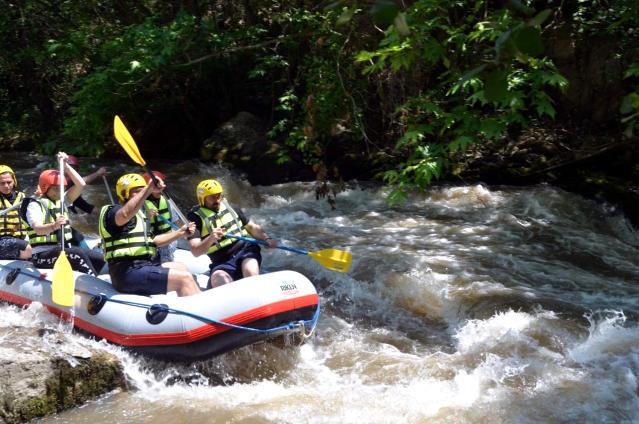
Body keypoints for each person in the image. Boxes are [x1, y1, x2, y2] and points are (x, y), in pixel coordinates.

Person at [98, 173, 200, 296]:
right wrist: (148, 189)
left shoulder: (140, 217)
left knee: (182, 267)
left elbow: (154, 241)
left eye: (143, 191)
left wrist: (180, 232)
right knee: (184, 279)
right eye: (137, 191)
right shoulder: (112, 212)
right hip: (127, 272)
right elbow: (124, 215)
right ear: (124, 193)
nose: (142, 195)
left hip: (143, 266)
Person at [188, 179, 277, 288]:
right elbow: (195, 251)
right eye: (213, 197)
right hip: (221, 260)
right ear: (202, 199)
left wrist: (266, 238)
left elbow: (251, 226)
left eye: (218, 195)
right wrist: (211, 238)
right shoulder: (195, 218)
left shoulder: (232, 207)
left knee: (250, 271)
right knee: (221, 283)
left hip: (245, 250)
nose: (217, 200)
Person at [24, 153, 102, 275]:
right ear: (45, 187)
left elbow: (81, 184)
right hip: (42, 254)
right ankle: (95, 281)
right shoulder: (34, 205)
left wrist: (66, 166)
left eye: (61, 187)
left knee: (99, 258)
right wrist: (54, 225)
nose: (60, 191)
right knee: (78, 253)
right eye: (56, 188)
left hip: (64, 248)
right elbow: (38, 229)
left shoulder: (63, 200)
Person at [142, 170, 182, 263]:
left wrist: (186, 233)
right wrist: (147, 217)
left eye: (162, 182)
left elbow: (176, 221)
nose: (162, 186)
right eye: (158, 184)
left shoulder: (167, 201)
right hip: (151, 241)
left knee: (167, 262)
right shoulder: (141, 204)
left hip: (168, 241)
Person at [0, 165, 32, 260]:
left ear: (14, 181)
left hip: (20, 239)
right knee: (31, 251)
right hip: (2, 240)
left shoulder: (23, 197)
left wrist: (38, 199)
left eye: (9, 182)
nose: (6, 186)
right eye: (2, 183)